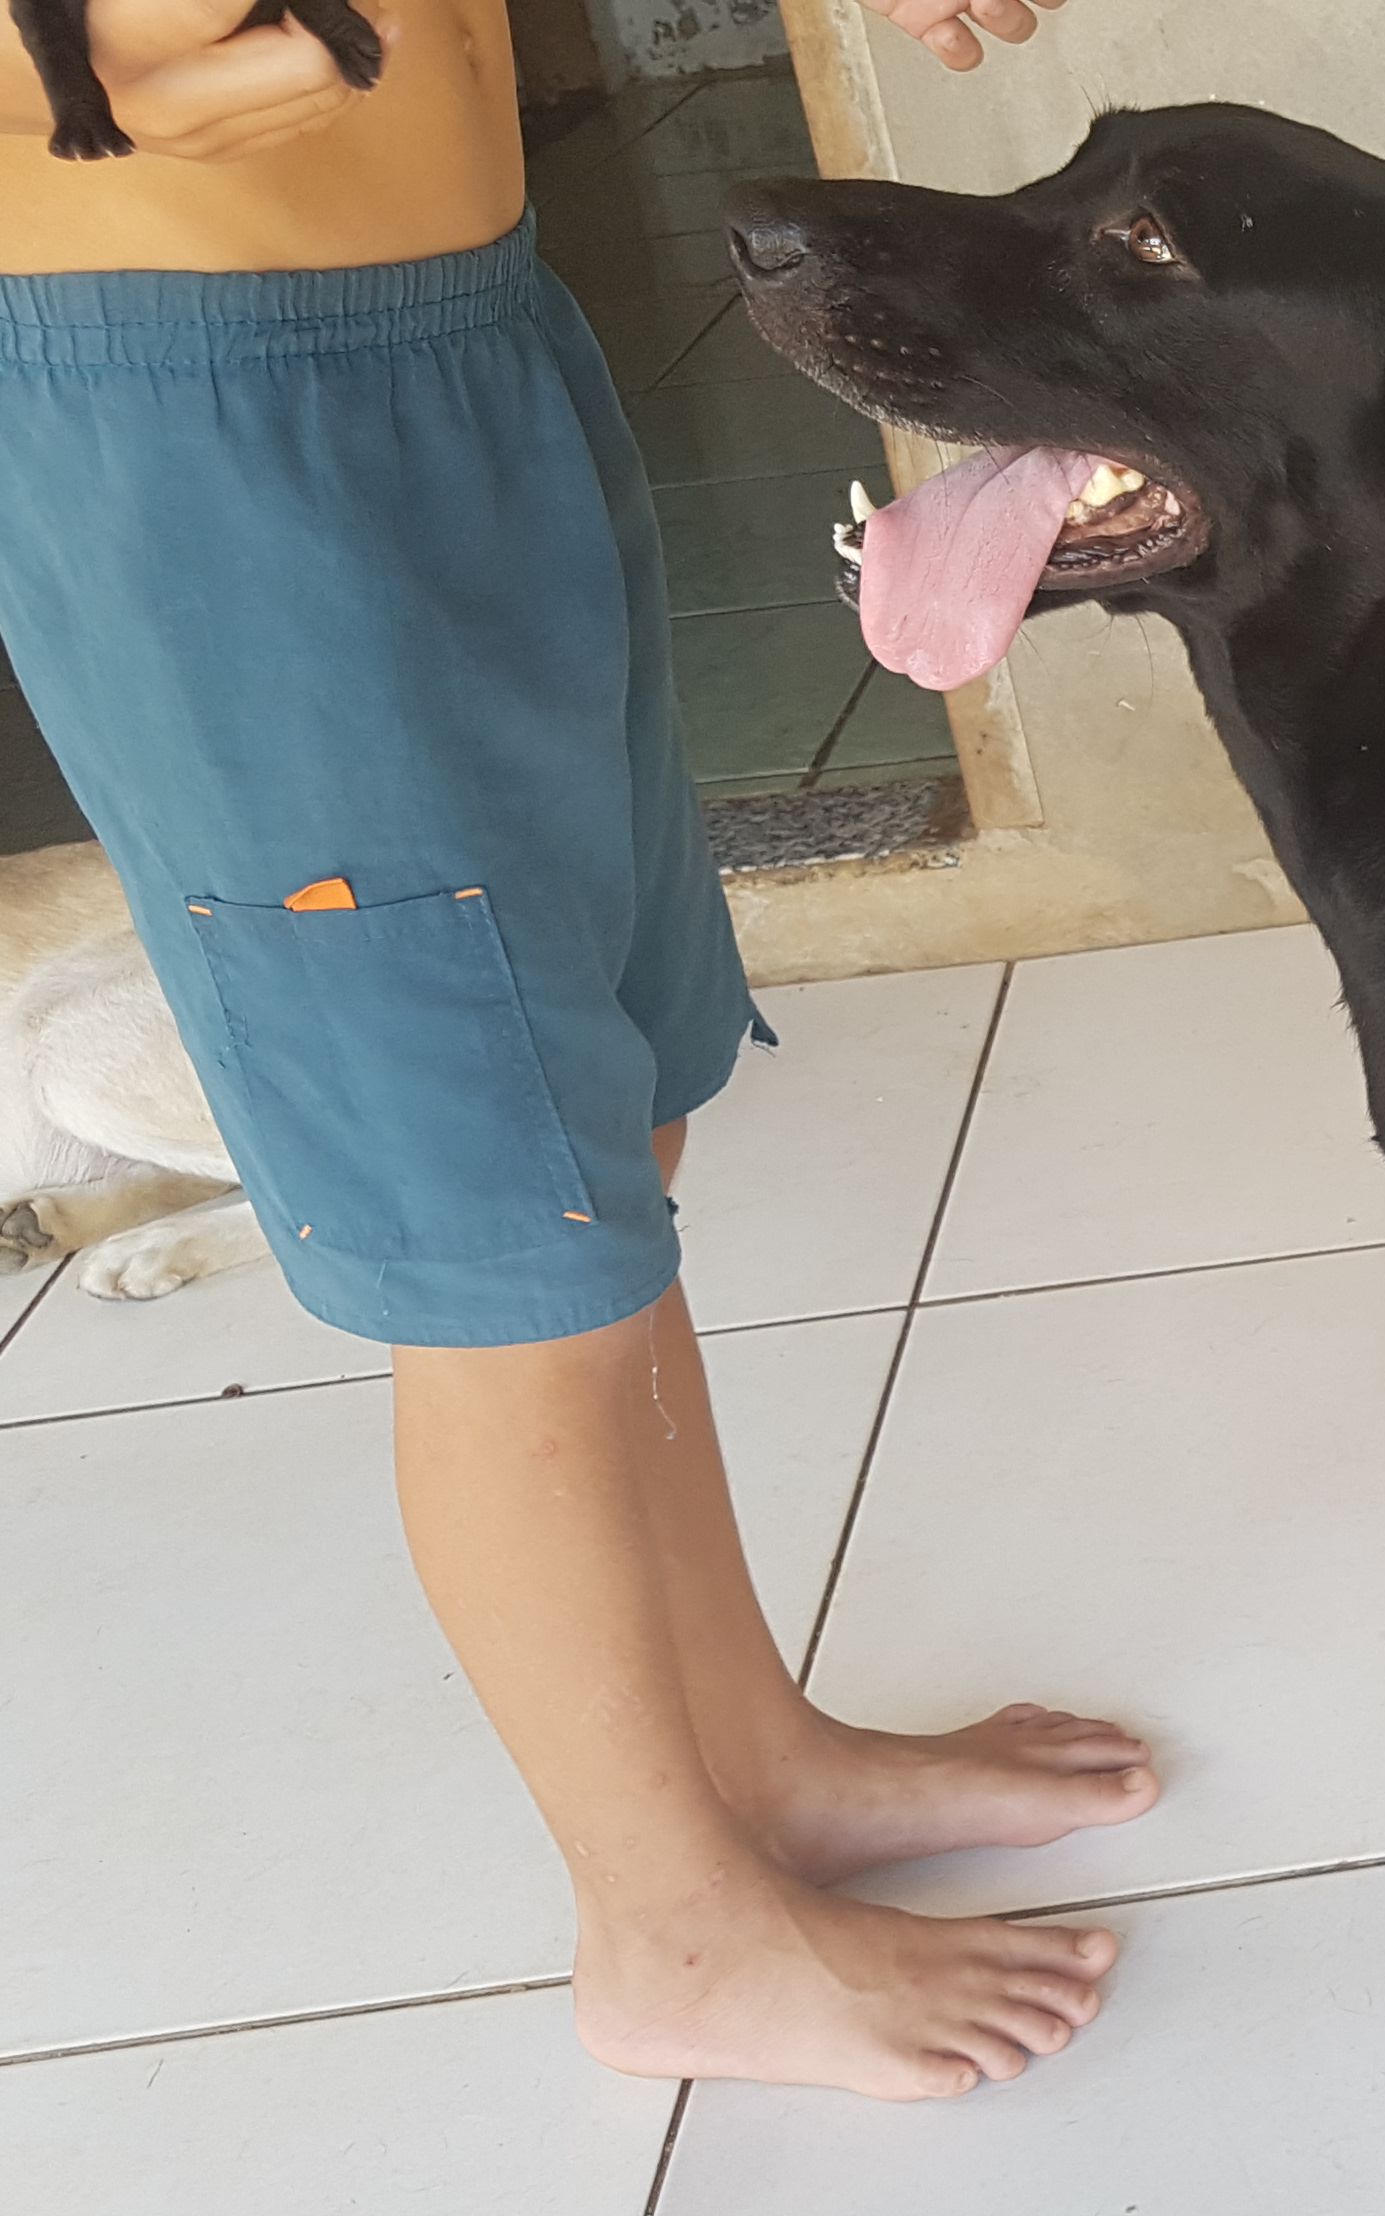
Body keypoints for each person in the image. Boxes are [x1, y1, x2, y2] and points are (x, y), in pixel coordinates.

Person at [0, 0, 1155, 2101]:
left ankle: (756, 1759)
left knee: (612, 1129)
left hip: (460, 334)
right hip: (202, 417)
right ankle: (668, 1934)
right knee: (498, 1247)